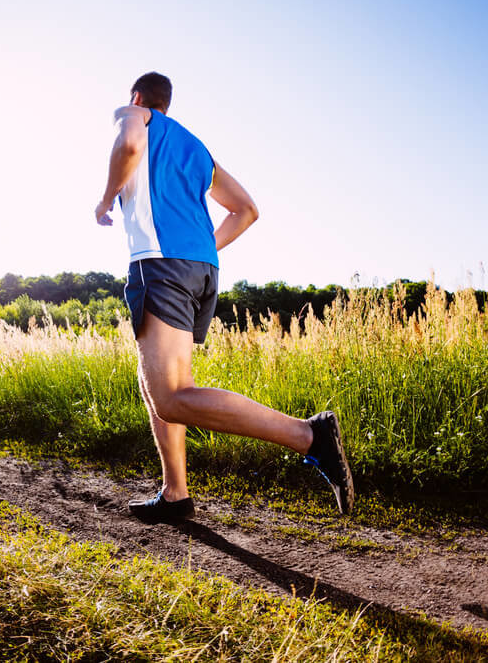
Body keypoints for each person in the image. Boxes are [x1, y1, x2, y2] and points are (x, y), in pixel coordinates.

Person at [94, 72, 353, 521]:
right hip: (200, 268)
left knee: (172, 395)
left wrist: (105, 198)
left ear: (139, 97)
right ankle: (176, 494)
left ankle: (309, 436)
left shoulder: (133, 115)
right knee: (154, 383)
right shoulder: (196, 149)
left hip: (161, 263)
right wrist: (203, 249)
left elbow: (131, 145)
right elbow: (246, 210)